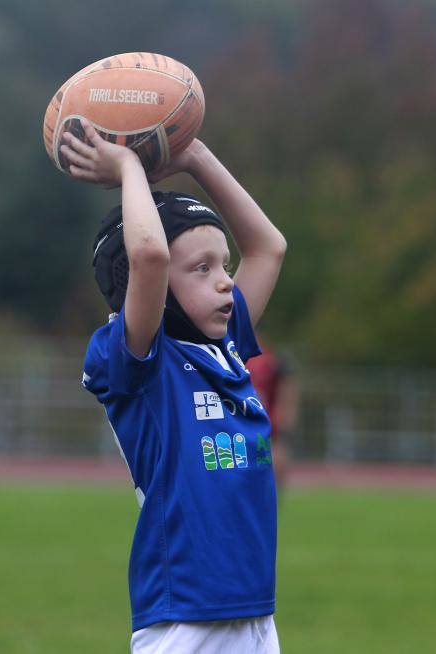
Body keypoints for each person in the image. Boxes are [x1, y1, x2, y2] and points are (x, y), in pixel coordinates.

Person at [66, 119, 287, 654]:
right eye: (203, 268)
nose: (226, 280)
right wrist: (127, 170)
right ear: (151, 288)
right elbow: (149, 256)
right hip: (184, 616)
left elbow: (270, 247)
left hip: (254, 613)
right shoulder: (138, 362)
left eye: (224, 266)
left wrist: (197, 157)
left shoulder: (225, 347)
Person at [246, 341, 298, 493]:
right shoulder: (266, 360)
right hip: (256, 427)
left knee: (268, 467)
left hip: (265, 428)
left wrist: (285, 419)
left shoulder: (270, 361)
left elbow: (287, 388)